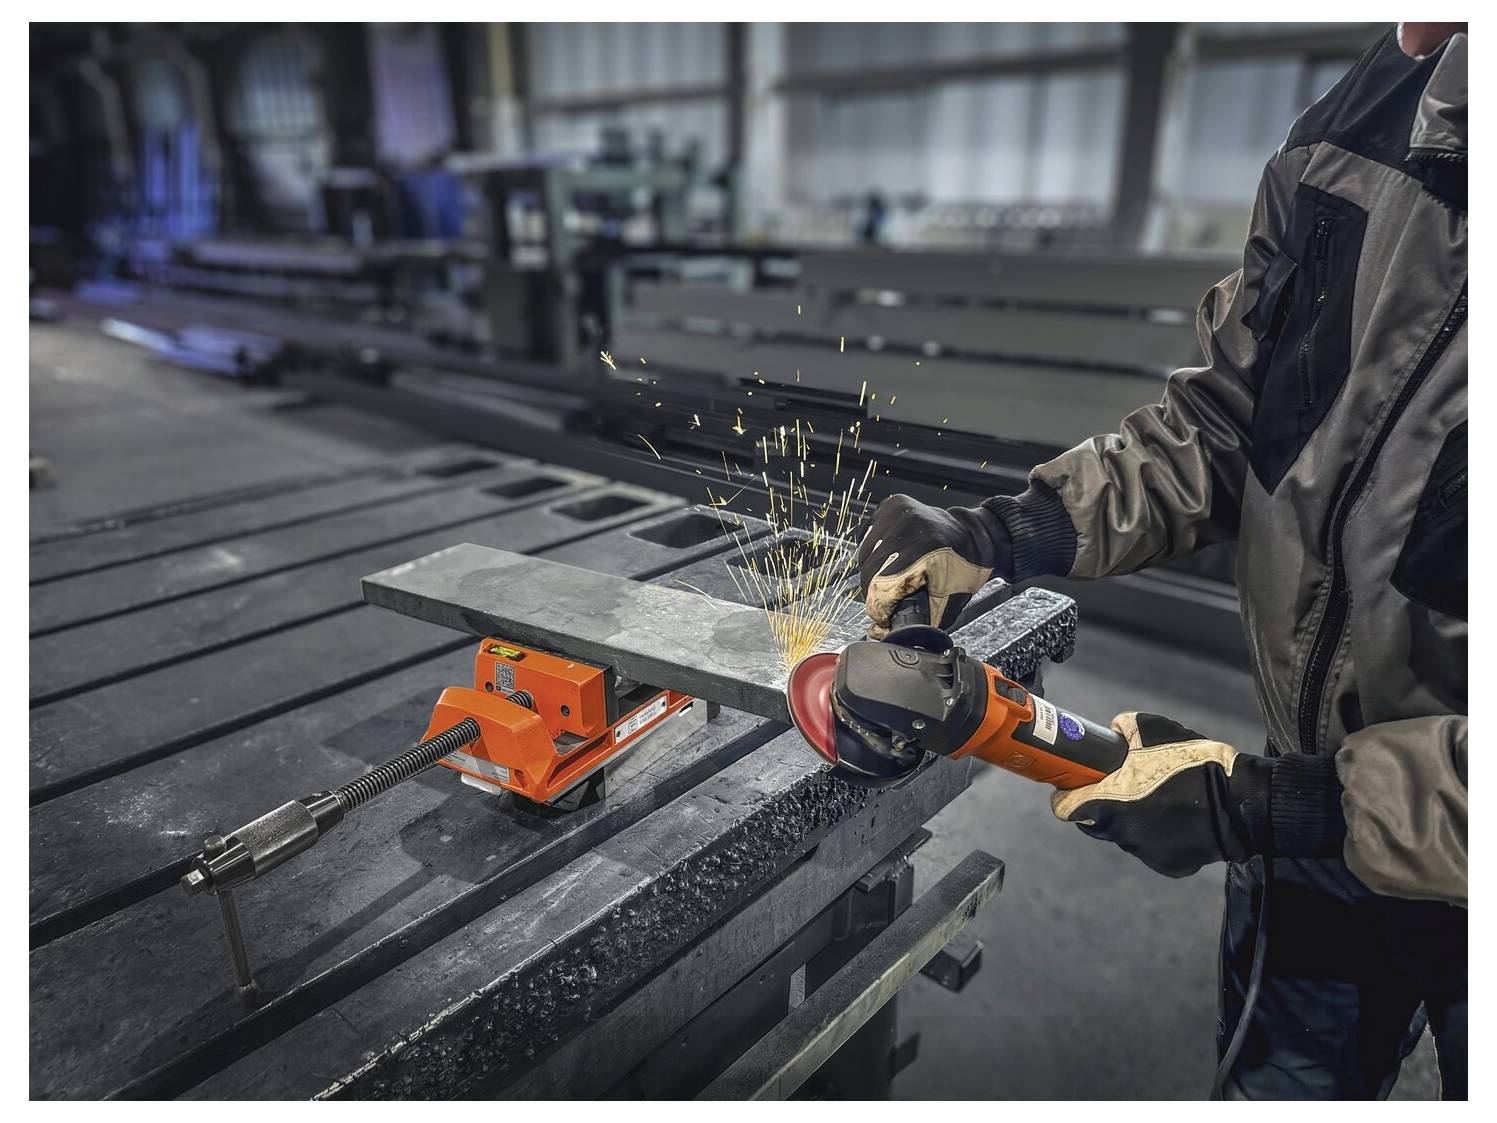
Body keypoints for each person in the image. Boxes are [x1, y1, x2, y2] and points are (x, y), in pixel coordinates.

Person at [857, 24, 1466, 1100]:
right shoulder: (1353, 128)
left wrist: (1282, 807)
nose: (1419, 32)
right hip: (1309, 809)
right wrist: (1002, 534)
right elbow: (1230, 420)